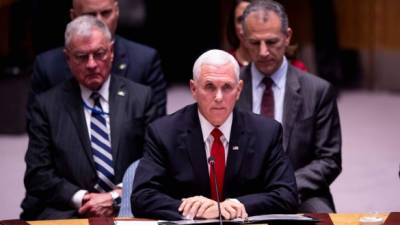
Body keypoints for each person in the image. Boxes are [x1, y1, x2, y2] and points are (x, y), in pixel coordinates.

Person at [131, 49, 298, 220]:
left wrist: (236, 205)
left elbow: (286, 195)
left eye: (227, 87)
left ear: (239, 89)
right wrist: (196, 210)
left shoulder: (266, 132)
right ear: (194, 89)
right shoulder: (164, 133)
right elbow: (142, 197)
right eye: (209, 87)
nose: (219, 97)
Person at [20, 15, 157, 220]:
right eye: (82, 56)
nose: (92, 64)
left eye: (99, 54)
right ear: (67, 58)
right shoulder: (47, 105)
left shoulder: (141, 97)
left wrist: (116, 196)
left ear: (111, 52)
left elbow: (154, 162)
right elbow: (38, 173)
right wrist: (84, 198)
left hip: (128, 208)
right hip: (70, 212)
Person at [236, 0, 342, 213]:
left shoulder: (317, 91)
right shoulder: (229, 88)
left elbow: (329, 160)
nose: (264, 52)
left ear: (288, 37)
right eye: (255, 43)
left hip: (300, 190)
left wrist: (283, 187)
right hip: (240, 194)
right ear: (243, 39)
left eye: (272, 42)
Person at [28, 0, 166, 119]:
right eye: (90, 15)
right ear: (73, 16)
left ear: (117, 12)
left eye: (106, 13)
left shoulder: (145, 61)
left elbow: (155, 132)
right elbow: (38, 130)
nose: (99, 22)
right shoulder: (47, 67)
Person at [226, 0, 252, 67]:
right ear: (233, 24)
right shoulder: (225, 63)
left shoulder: (273, 63)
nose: (246, 27)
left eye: (252, 18)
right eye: (240, 19)